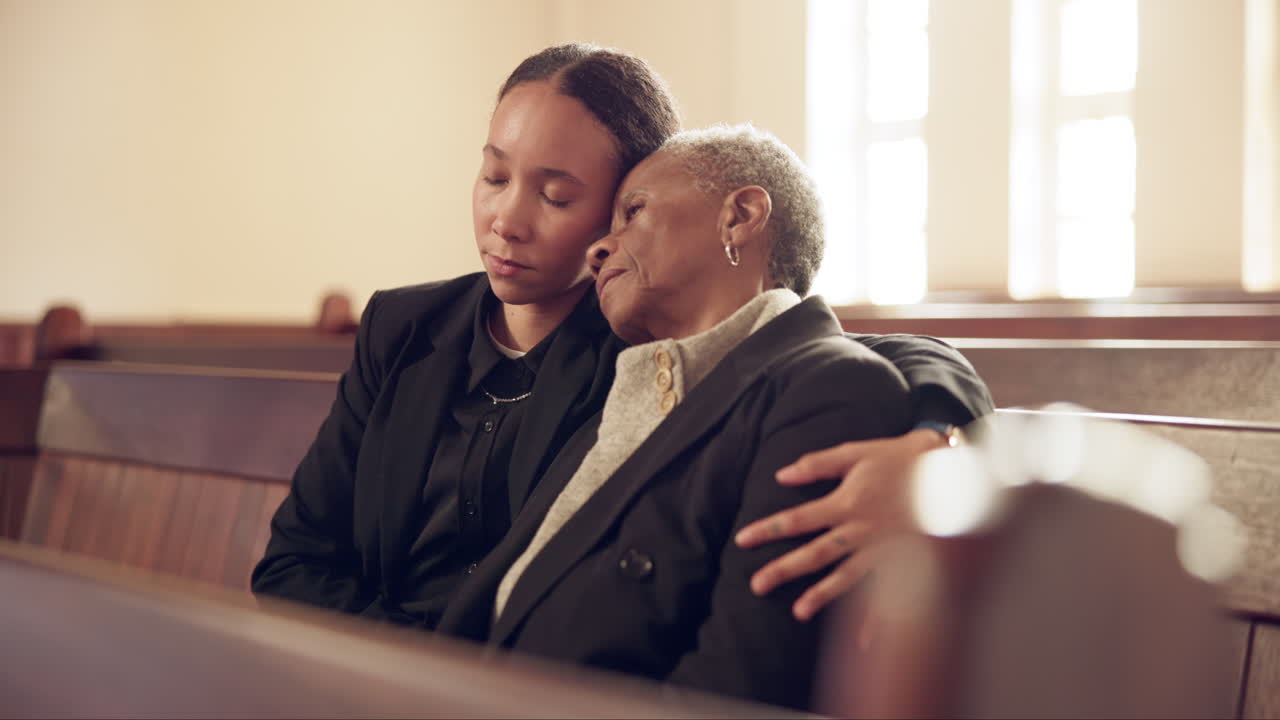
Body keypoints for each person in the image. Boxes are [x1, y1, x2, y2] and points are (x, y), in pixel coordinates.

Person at [251, 43, 991, 630]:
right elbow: (293, 562)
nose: (507, 219)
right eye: (493, 176)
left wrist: (936, 433)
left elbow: (833, 347)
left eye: (555, 195)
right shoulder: (402, 327)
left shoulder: (645, 346)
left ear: (618, 209)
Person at [436, 124, 907, 710]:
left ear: (739, 216)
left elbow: (741, 692)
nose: (597, 249)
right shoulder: (628, 394)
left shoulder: (827, 389)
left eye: (632, 212)